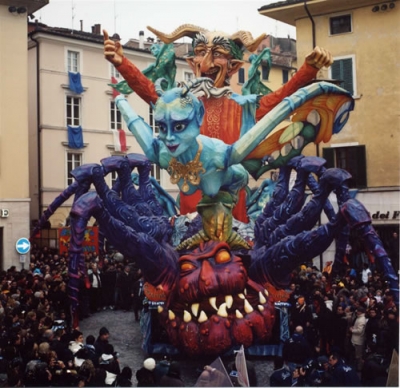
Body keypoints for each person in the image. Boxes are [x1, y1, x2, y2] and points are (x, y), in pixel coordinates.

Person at [104, 27, 333, 222]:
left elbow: (283, 98)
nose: (207, 62)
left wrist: (308, 70)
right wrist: (122, 64)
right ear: (192, 62)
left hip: (232, 204)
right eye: (201, 53)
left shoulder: (244, 107)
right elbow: (152, 94)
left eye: (217, 54)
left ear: (233, 66)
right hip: (190, 201)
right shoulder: (184, 106)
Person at [349, 306, 367, 371]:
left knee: (358, 356)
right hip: (356, 339)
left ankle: (359, 368)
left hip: (358, 340)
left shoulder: (362, 320)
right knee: (356, 355)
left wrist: (352, 330)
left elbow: (359, 331)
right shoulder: (359, 318)